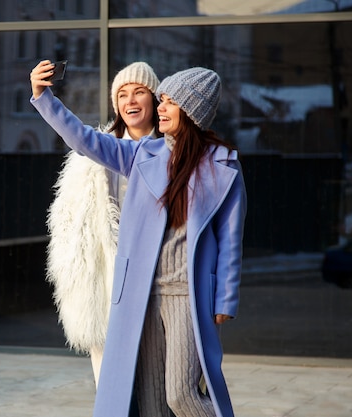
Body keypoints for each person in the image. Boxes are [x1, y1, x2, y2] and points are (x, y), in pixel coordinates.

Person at [30, 61, 247, 417]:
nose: (159, 109)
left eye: (168, 102)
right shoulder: (142, 155)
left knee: (182, 394)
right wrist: (44, 97)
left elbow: (230, 238)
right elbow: (84, 139)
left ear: (190, 110)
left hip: (189, 295)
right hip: (140, 294)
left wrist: (226, 297)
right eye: (159, 100)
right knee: (150, 402)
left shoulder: (222, 166)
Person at [45, 61, 160, 387]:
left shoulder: (171, 150)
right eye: (123, 94)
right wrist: (43, 97)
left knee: (160, 384)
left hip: (157, 278)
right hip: (107, 279)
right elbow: (71, 224)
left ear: (154, 98)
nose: (131, 100)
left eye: (139, 92)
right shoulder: (98, 151)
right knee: (111, 386)